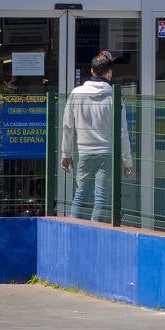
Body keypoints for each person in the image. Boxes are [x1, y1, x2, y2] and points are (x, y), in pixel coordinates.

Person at [61, 50, 133, 223]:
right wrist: (127, 161)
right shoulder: (114, 96)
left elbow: (67, 126)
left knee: (80, 194)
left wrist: (66, 154)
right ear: (109, 72)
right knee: (101, 198)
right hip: (107, 153)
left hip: (84, 151)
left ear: (92, 71)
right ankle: (95, 232)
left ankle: (73, 231)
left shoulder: (76, 93)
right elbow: (123, 131)